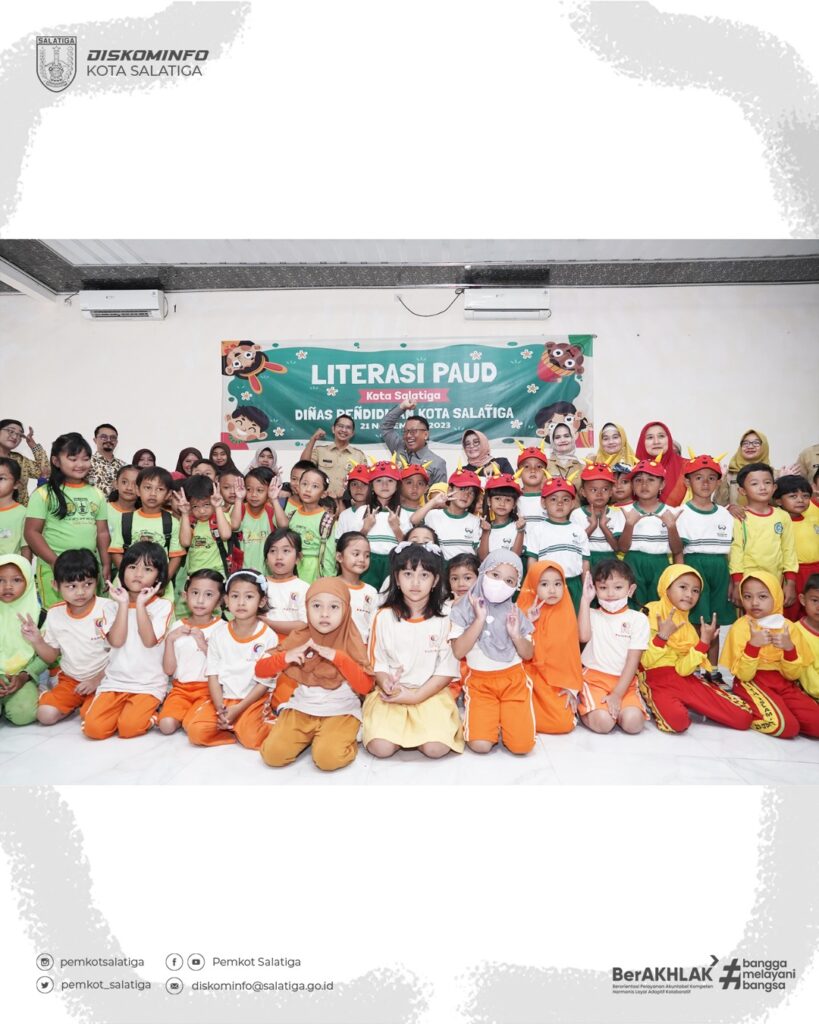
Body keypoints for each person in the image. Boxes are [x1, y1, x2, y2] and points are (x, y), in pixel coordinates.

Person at [257, 578, 375, 772]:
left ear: (346, 610)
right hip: (302, 707)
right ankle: (312, 737)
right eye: (317, 605)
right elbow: (260, 670)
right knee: (273, 755)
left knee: (328, 759)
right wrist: (286, 657)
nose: (324, 613)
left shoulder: (351, 640)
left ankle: (343, 736)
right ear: (306, 607)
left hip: (340, 711)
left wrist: (339, 658)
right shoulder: (300, 636)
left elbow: (366, 687)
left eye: (334, 607)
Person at [364, 542, 463, 758]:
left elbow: (447, 669)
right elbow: (378, 663)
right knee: (381, 748)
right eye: (408, 574)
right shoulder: (382, 617)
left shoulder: (446, 617)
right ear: (397, 578)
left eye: (424, 575)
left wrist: (416, 696)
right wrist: (386, 683)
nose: (415, 583)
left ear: (435, 581)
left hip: (430, 693)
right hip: (394, 694)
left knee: (435, 749)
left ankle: (423, 728)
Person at [639, 565, 755, 734]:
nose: (689, 595)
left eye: (695, 591)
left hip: (683, 678)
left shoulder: (688, 629)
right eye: (683, 587)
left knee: (742, 718)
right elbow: (643, 661)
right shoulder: (650, 613)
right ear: (666, 587)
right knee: (678, 722)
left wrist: (703, 643)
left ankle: (688, 702)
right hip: (654, 679)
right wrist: (662, 637)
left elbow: (682, 669)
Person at [82, 542, 173, 740]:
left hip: (148, 684)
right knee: (93, 730)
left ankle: (155, 711)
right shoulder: (111, 606)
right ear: (123, 570)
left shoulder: (163, 606)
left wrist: (140, 605)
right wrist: (123, 604)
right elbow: (116, 641)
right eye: (132, 567)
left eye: (147, 569)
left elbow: (149, 641)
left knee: (129, 728)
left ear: (158, 577)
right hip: (115, 681)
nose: (138, 574)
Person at [450, 550, 536, 754]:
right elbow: (458, 651)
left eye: (509, 581)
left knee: (522, 747)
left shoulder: (515, 612)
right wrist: (479, 620)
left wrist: (516, 635)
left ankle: (505, 720)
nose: (500, 584)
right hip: (480, 684)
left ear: (516, 586)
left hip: (513, 681)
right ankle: (490, 721)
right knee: (480, 745)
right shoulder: (462, 609)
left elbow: (528, 654)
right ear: (483, 572)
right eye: (495, 575)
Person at [184, 570, 279, 748]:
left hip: (252, 700)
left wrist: (239, 709)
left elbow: (264, 683)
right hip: (224, 698)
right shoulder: (219, 634)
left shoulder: (269, 637)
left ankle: (272, 724)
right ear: (226, 600)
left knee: (252, 739)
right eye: (235, 596)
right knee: (196, 732)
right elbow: (213, 675)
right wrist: (220, 708)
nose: (241, 602)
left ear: (262, 601)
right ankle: (231, 727)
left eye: (249, 596)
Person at [720, 571, 818, 739]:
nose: (754, 603)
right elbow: (744, 675)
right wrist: (753, 646)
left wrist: (789, 650)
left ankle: (781, 711)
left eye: (763, 596)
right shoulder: (741, 627)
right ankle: (749, 710)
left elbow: (793, 675)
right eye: (748, 596)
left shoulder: (788, 627)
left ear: (776, 596)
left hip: (783, 683)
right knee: (786, 727)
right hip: (752, 682)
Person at [20, 550, 113, 726]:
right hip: (71, 680)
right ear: (55, 585)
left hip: (105, 678)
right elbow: (51, 657)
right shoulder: (55, 613)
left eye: (88, 584)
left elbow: (120, 653)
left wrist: (96, 680)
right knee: (45, 715)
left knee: (91, 717)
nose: (80, 592)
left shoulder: (108, 608)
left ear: (97, 581)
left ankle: (87, 703)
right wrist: (37, 640)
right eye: (71, 586)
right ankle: (73, 701)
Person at [24, 433, 110, 610]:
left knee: (89, 616)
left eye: (85, 459)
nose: (80, 464)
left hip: (88, 569)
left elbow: (102, 533)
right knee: (56, 616)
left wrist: (106, 563)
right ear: (56, 461)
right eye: (73, 459)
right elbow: (31, 533)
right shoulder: (43, 494)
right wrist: (55, 562)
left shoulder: (97, 494)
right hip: (53, 567)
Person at [674, 453, 735, 670]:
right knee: (696, 621)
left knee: (714, 622)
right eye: (698, 478)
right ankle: (695, 668)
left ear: (719, 482)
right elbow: (678, 551)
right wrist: (682, 577)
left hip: (720, 568)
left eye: (711, 478)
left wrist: (731, 579)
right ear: (687, 482)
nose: (705, 483)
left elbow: (731, 552)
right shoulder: (681, 513)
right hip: (694, 568)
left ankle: (712, 669)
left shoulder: (726, 515)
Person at [576, 560, 649, 734]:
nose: (610, 593)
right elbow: (583, 636)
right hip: (594, 680)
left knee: (634, 724)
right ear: (595, 589)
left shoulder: (639, 619)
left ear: (630, 590)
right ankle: (585, 707)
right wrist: (585, 600)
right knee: (603, 723)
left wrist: (617, 695)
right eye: (603, 587)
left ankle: (615, 710)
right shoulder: (591, 614)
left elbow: (632, 662)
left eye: (618, 587)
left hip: (625, 682)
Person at [516, 560, 583, 734]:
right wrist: (527, 622)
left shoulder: (567, 613)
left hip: (556, 682)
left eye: (557, 584)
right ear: (533, 586)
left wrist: (572, 689)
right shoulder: (521, 611)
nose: (552, 590)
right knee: (517, 716)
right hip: (526, 678)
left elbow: (572, 656)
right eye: (544, 584)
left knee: (562, 724)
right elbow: (513, 651)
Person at [158, 569, 225, 735]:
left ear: (219, 601)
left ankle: (194, 715)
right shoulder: (177, 626)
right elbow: (169, 670)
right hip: (180, 690)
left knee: (193, 726)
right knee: (166, 726)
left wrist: (204, 645)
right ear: (185, 595)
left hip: (209, 691)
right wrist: (170, 640)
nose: (200, 600)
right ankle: (183, 713)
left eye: (209, 595)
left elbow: (226, 668)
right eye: (195, 593)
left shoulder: (223, 628)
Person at [728, 463, 797, 610]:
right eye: (754, 484)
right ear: (742, 490)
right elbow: (736, 551)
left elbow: (788, 550)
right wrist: (737, 582)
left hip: (775, 582)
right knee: (750, 620)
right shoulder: (739, 517)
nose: (762, 487)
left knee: (773, 620)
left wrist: (790, 582)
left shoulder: (783, 516)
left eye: (767, 482)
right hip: (748, 582)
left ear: (774, 487)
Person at [108, 467, 184, 594]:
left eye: (160, 489)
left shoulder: (172, 523)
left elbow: (176, 557)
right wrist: (128, 579)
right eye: (148, 488)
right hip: (125, 588)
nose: (153, 493)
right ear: (138, 490)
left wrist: (162, 582)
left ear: (168, 495)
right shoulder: (125, 520)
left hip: (157, 588)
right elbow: (116, 552)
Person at [618, 458, 682, 608]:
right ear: (632, 485)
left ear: (662, 484)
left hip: (660, 563)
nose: (644, 485)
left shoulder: (671, 512)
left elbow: (677, 549)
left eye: (651, 480)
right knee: (633, 605)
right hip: (632, 562)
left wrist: (671, 526)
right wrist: (629, 524)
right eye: (638, 480)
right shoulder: (625, 511)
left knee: (659, 605)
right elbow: (622, 548)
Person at [524, 476, 589, 610]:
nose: (560, 503)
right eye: (553, 499)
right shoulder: (537, 530)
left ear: (572, 503)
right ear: (543, 503)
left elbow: (585, 562)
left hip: (574, 584)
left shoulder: (579, 530)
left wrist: (586, 587)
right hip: (548, 585)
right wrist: (534, 584)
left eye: (565, 499)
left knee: (574, 619)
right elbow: (532, 561)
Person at [335, 460, 403, 588]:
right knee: (365, 594)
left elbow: (407, 545)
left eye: (390, 480)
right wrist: (366, 528)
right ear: (371, 485)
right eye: (379, 481)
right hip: (367, 563)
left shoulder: (403, 513)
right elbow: (352, 544)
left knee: (389, 597)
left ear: (397, 485)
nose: (384, 485)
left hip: (393, 562)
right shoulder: (362, 511)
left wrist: (396, 528)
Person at [0, 555, 48, 727]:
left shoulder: (39, 615)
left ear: (28, 582)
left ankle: (33, 690)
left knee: (24, 713)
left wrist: (24, 675)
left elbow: (46, 655)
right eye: (0, 580)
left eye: (16, 580)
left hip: (23, 676)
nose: (7, 586)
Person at [272, 466, 337, 584]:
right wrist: (274, 499)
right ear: (298, 487)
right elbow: (280, 526)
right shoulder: (291, 515)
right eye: (304, 484)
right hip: (290, 570)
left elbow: (329, 554)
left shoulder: (327, 520)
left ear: (323, 494)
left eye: (315, 486)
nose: (308, 489)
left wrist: (328, 581)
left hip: (313, 573)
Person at [773, 475, 819, 621]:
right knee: (789, 613)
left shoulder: (814, 517)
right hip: (791, 574)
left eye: (805, 496)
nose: (800, 500)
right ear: (778, 500)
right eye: (793, 496)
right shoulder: (775, 520)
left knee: (812, 614)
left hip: (815, 572)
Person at [410, 467, 481, 559]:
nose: (466, 495)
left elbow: (477, 553)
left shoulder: (475, 521)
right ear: (450, 490)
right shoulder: (433, 515)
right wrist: (434, 501)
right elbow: (413, 520)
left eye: (471, 493)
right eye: (462, 489)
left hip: (466, 566)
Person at [379, 400, 447, 485]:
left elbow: (440, 492)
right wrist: (402, 407)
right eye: (405, 431)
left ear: (425, 435)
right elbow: (385, 426)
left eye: (413, 431)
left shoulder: (437, 463)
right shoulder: (399, 447)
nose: (408, 436)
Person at [570, 462, 623, 569]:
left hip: (610, 561)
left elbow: (617, 548)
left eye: (605, 489)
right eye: (593, 490)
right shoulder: (577, 514)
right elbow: (575, 545)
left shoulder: (617, 513)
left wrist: (603, 526)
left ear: (611, 492)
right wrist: (592, 526)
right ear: (583, 492)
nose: (599, 494)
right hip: (585, 559)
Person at [303, 415, 367, 499]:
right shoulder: (320, 451)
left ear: (352, 433)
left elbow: (364, 482)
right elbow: (303, 467)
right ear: (333, 429)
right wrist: (313, 439)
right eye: (340, 426)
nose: (344, 430)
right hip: (322, 500)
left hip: (347, 501)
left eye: (348, 427)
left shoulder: (359, 455)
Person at [262, 528, 309, 635]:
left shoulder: (304, 588)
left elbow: (304, 625)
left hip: (294, 643)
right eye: (273, 551)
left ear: (298, 558)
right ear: (266, 559)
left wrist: (269, 623)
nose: (279, 557)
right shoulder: (260, 586)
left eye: (286, 551)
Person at [230, 468, 277, 573]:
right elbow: (234, 526)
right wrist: (238, 499)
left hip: (266, 573)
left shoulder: (271, 511)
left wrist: (274, 499)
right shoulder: (239, 508)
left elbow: (284, 525)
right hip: (242, 572)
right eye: (249, 489)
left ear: (270, 490)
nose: (254, 494)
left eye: (260, 490)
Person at [335, 531, 378, 643]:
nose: (362, 559)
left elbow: (373, 626)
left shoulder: (371, 592)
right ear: (339, 557)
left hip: (362, 648)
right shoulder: (329, 586)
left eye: (367, 555)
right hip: (334, 647)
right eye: (356, 554)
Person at [635, 421, 687, 507]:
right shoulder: (633, 469)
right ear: (642, 442)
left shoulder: (687, 467)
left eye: (661, 436)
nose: (656, 442)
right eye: (650, 437)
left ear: (669, 439)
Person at [715, 429, 769, 508]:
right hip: (735, 515)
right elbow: (719, 504)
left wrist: (782, 483)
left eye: (756, 443)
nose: (750, 446)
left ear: (764, 446)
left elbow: (777, 504)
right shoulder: (730, 473)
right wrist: (722, 479)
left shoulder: (773, 474)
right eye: (745, 443)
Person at [0, 420, 48, 507]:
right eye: (10, 431)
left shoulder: (20, 460)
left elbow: (46, 471)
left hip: (21, 512)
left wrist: (33, 446)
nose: (15, 436)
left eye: (20, 435)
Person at [478, 472, 525, 559]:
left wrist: (520, 531)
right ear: (489, 501)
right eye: (497, 499)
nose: (502, 504)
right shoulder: (482, 527)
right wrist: (485, 532)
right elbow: (483, 558)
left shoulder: (517, 527)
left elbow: (515, 557)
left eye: (508, 500)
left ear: (514, 504)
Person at [795, 573, 819, 702]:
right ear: (803, 600)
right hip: (811, 694)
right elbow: (810, 683)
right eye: (815, 600)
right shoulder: (795, 632)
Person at [0, 458, 30, 558]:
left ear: (16, 484)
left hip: (10, 566)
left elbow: (26, 548)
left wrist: (25, 567)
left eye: (1, 478)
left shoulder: (23, 514)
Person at [87, 423, 126, 497]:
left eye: (113, 438)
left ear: (116, 442)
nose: (108, 440)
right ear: (95, 440)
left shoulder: (123, 466)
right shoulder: (87, 462)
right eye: (104, 437)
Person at [515, 443, 549, 527]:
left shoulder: (551, 497)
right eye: (526, 466)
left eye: (539, 466)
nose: (533, 470)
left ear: (546, 472)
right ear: (518, 472)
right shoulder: (513, 497)